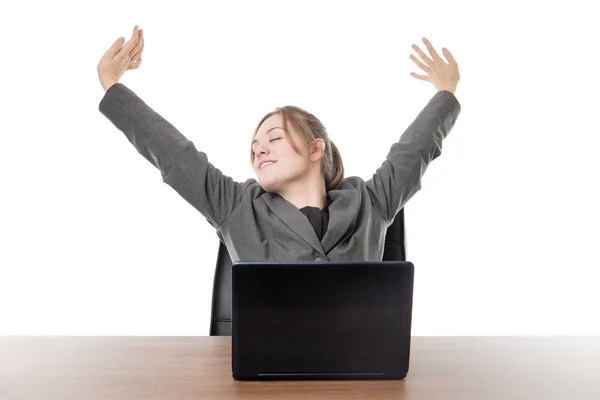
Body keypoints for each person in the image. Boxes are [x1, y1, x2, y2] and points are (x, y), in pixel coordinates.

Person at [97, 25, 461, 263]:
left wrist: (445, 92)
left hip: (356, 375)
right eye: (255, 145)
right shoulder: (237, 205)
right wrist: (113, 85)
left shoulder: (371, 201)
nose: (259, 150)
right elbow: (173, 152)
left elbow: (413, 151)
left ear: (317, 149)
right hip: (265, 377)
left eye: (274, 138)